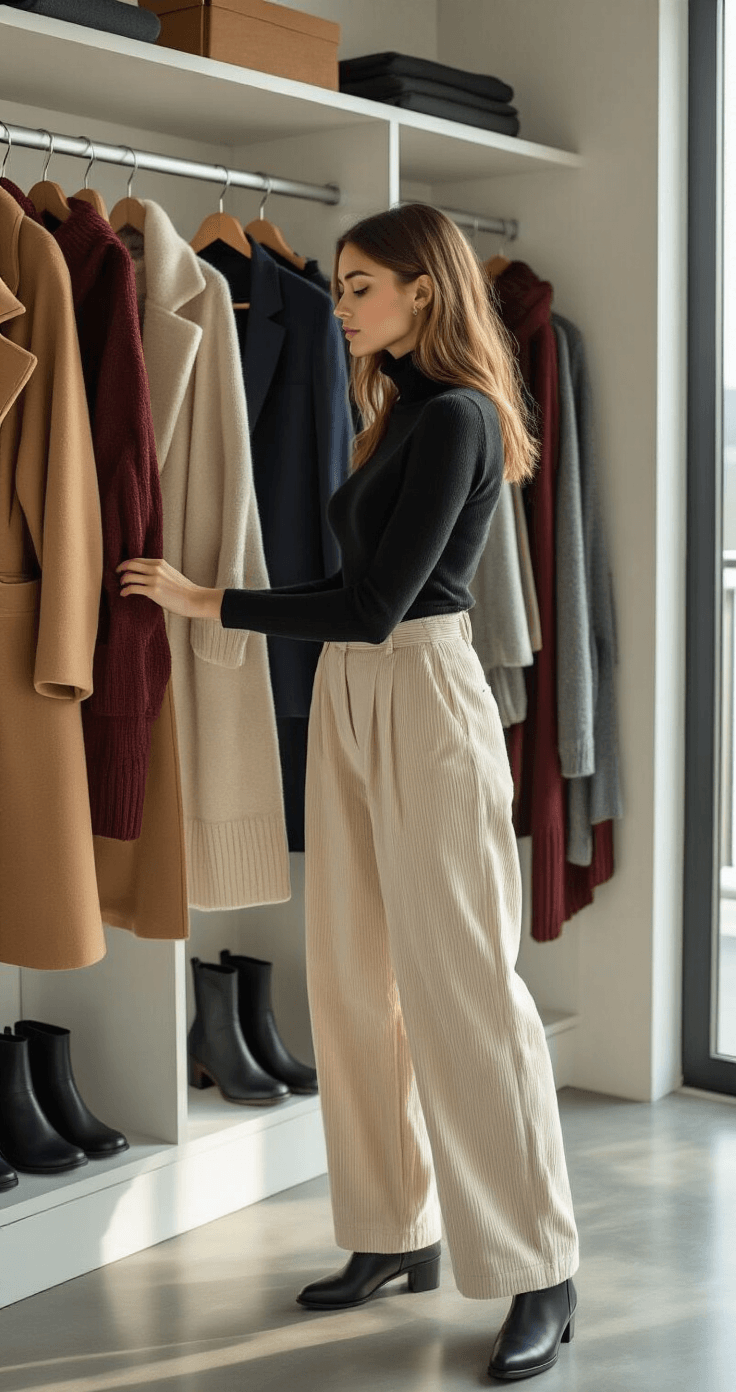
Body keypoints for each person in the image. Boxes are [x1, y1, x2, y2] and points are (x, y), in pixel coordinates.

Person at [118, 203, 580, 1383]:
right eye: (342, 284)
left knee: (463, 988)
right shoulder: (395, 415)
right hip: (348, 699)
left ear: (424, 291)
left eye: (362, 285)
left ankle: (538, 1267)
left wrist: (207, 599)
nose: (345, 306)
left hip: (421, 696)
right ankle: (391, 1228)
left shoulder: (462, 418)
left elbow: (379, 607)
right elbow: (348, 586)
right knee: (350, 972)